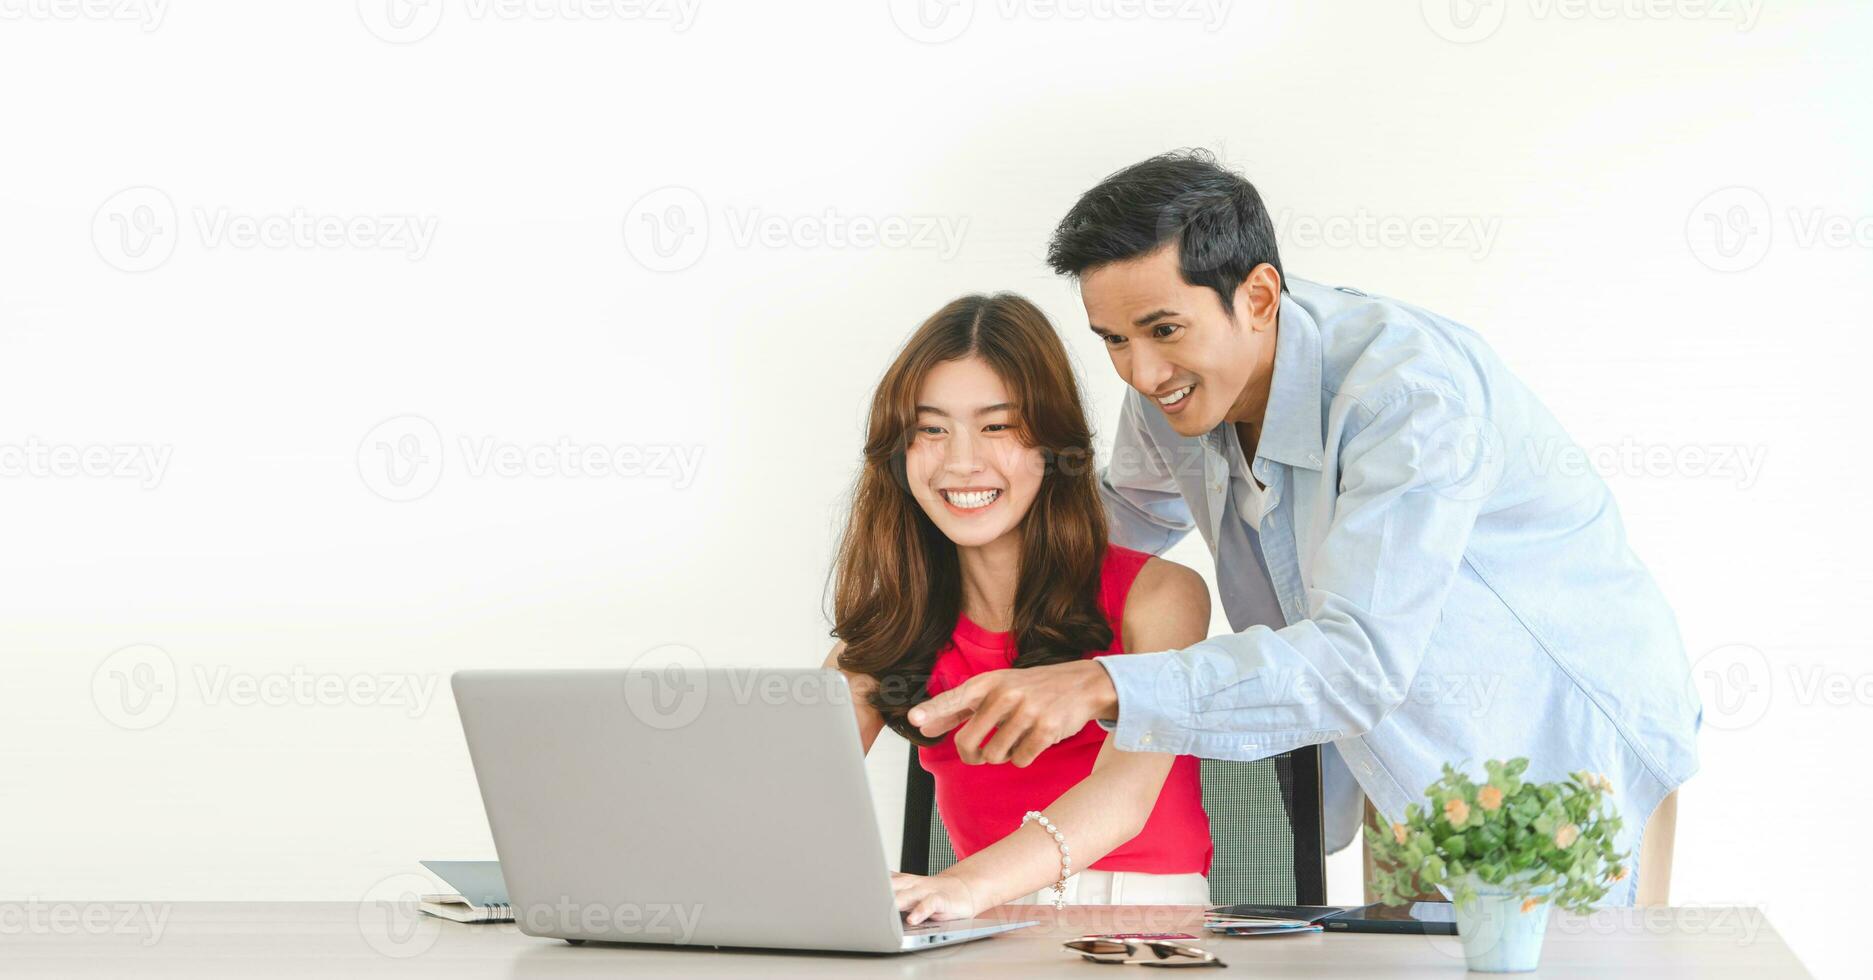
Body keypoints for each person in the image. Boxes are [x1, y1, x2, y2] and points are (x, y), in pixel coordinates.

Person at [906, 151, 1701, 905]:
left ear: (1257, 295)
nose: (1142, 374)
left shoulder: (1407, 398)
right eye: (1113, 340)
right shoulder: (1172, 393)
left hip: (1550, 748)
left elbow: (1355, 662)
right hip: (1402, 757)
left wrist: (1103, 682)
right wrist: (965, 515)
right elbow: (1125, 519)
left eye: (1163, 330)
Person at [823, 293, 1215, 924]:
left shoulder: (1161, 595)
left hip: (1140, 926)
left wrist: (964, 887)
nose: (961, 461)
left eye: (997, 426)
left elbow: (1124, 796)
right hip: (976, 925)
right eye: (931, 428)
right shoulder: (884, 633)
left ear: (1052, 444)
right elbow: (786, 798)